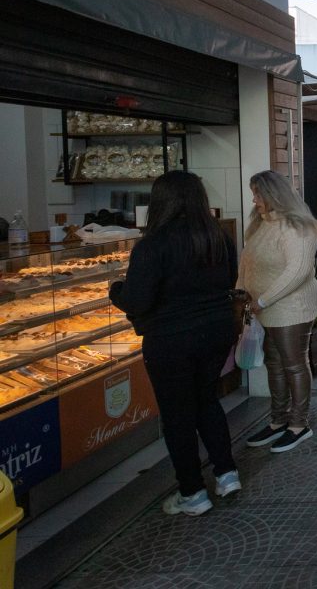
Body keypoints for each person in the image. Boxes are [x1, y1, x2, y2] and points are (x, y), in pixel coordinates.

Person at [109, 171, 240, 516]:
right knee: (207, 402)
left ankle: (193, 493)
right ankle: (227, 474)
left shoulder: (153, 245)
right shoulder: (217, 238)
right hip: (216, 331)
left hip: (171, 341)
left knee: (179, 415)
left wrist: (115, 291)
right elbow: (229, 280)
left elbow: (137, 301)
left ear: (159, 202)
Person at [240, 170, 317, 453]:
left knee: (293, 364)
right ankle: (278, 421)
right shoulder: (260, 225)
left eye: (258, 193)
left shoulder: (297, 227)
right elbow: (247, 263)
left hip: (291, 308)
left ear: (274, 194)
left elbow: (297, 272)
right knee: (273, 363)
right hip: (263, 309)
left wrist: (262, 300)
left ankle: (299, 424)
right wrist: (242, 294)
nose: (254, 199)